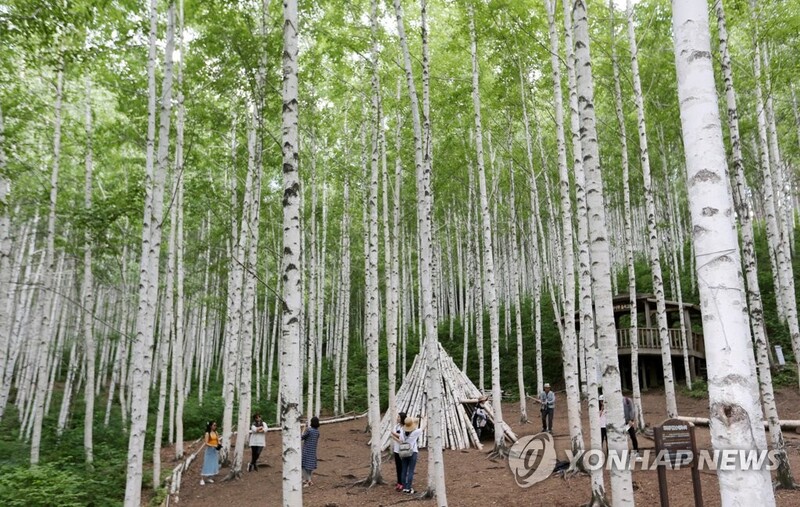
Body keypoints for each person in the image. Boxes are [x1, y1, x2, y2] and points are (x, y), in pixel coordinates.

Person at [399, 416, 424, 494]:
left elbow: (400, 440)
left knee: (404, 470)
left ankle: (404, 487)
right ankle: (409, 488)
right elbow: (423, 427)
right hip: (412, 452)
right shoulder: (415, 432)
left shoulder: (401, 430)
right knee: (411, 470)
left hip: (403, 452)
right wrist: (424, 419)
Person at [390, 412, 408, 491]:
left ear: (402, 419)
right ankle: (399, 482)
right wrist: (395, 436)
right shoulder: (396, 426)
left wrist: (394, 437)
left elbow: (402, 440)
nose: (397, 418)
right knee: (398, 467)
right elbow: (395, 435)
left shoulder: (405, 427)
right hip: (396, 450)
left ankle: (403, 482)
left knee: (403, 466)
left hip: (403, 450)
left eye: (399, 417)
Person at [301, 416, 320, 487]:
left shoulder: (309, 430)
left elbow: (301, 437)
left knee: (303, 465)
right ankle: (308, 479)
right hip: (313, 450)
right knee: (309, 466)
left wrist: (304, 428)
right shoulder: (317, 432)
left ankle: (308, 481)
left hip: (306, 450)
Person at [200, 421, 221, 485]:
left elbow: (218, 440)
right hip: (209, 450)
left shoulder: (216, 432)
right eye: (214, 425)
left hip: (215, 450)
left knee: (213, 463)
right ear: (210, 426)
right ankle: (202, 479)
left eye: (216, 425)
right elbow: (206, 443)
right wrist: (213, 445)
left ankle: (209, 477)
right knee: (206, 463)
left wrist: (219, 444)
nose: (215, 426)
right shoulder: (207, 433)